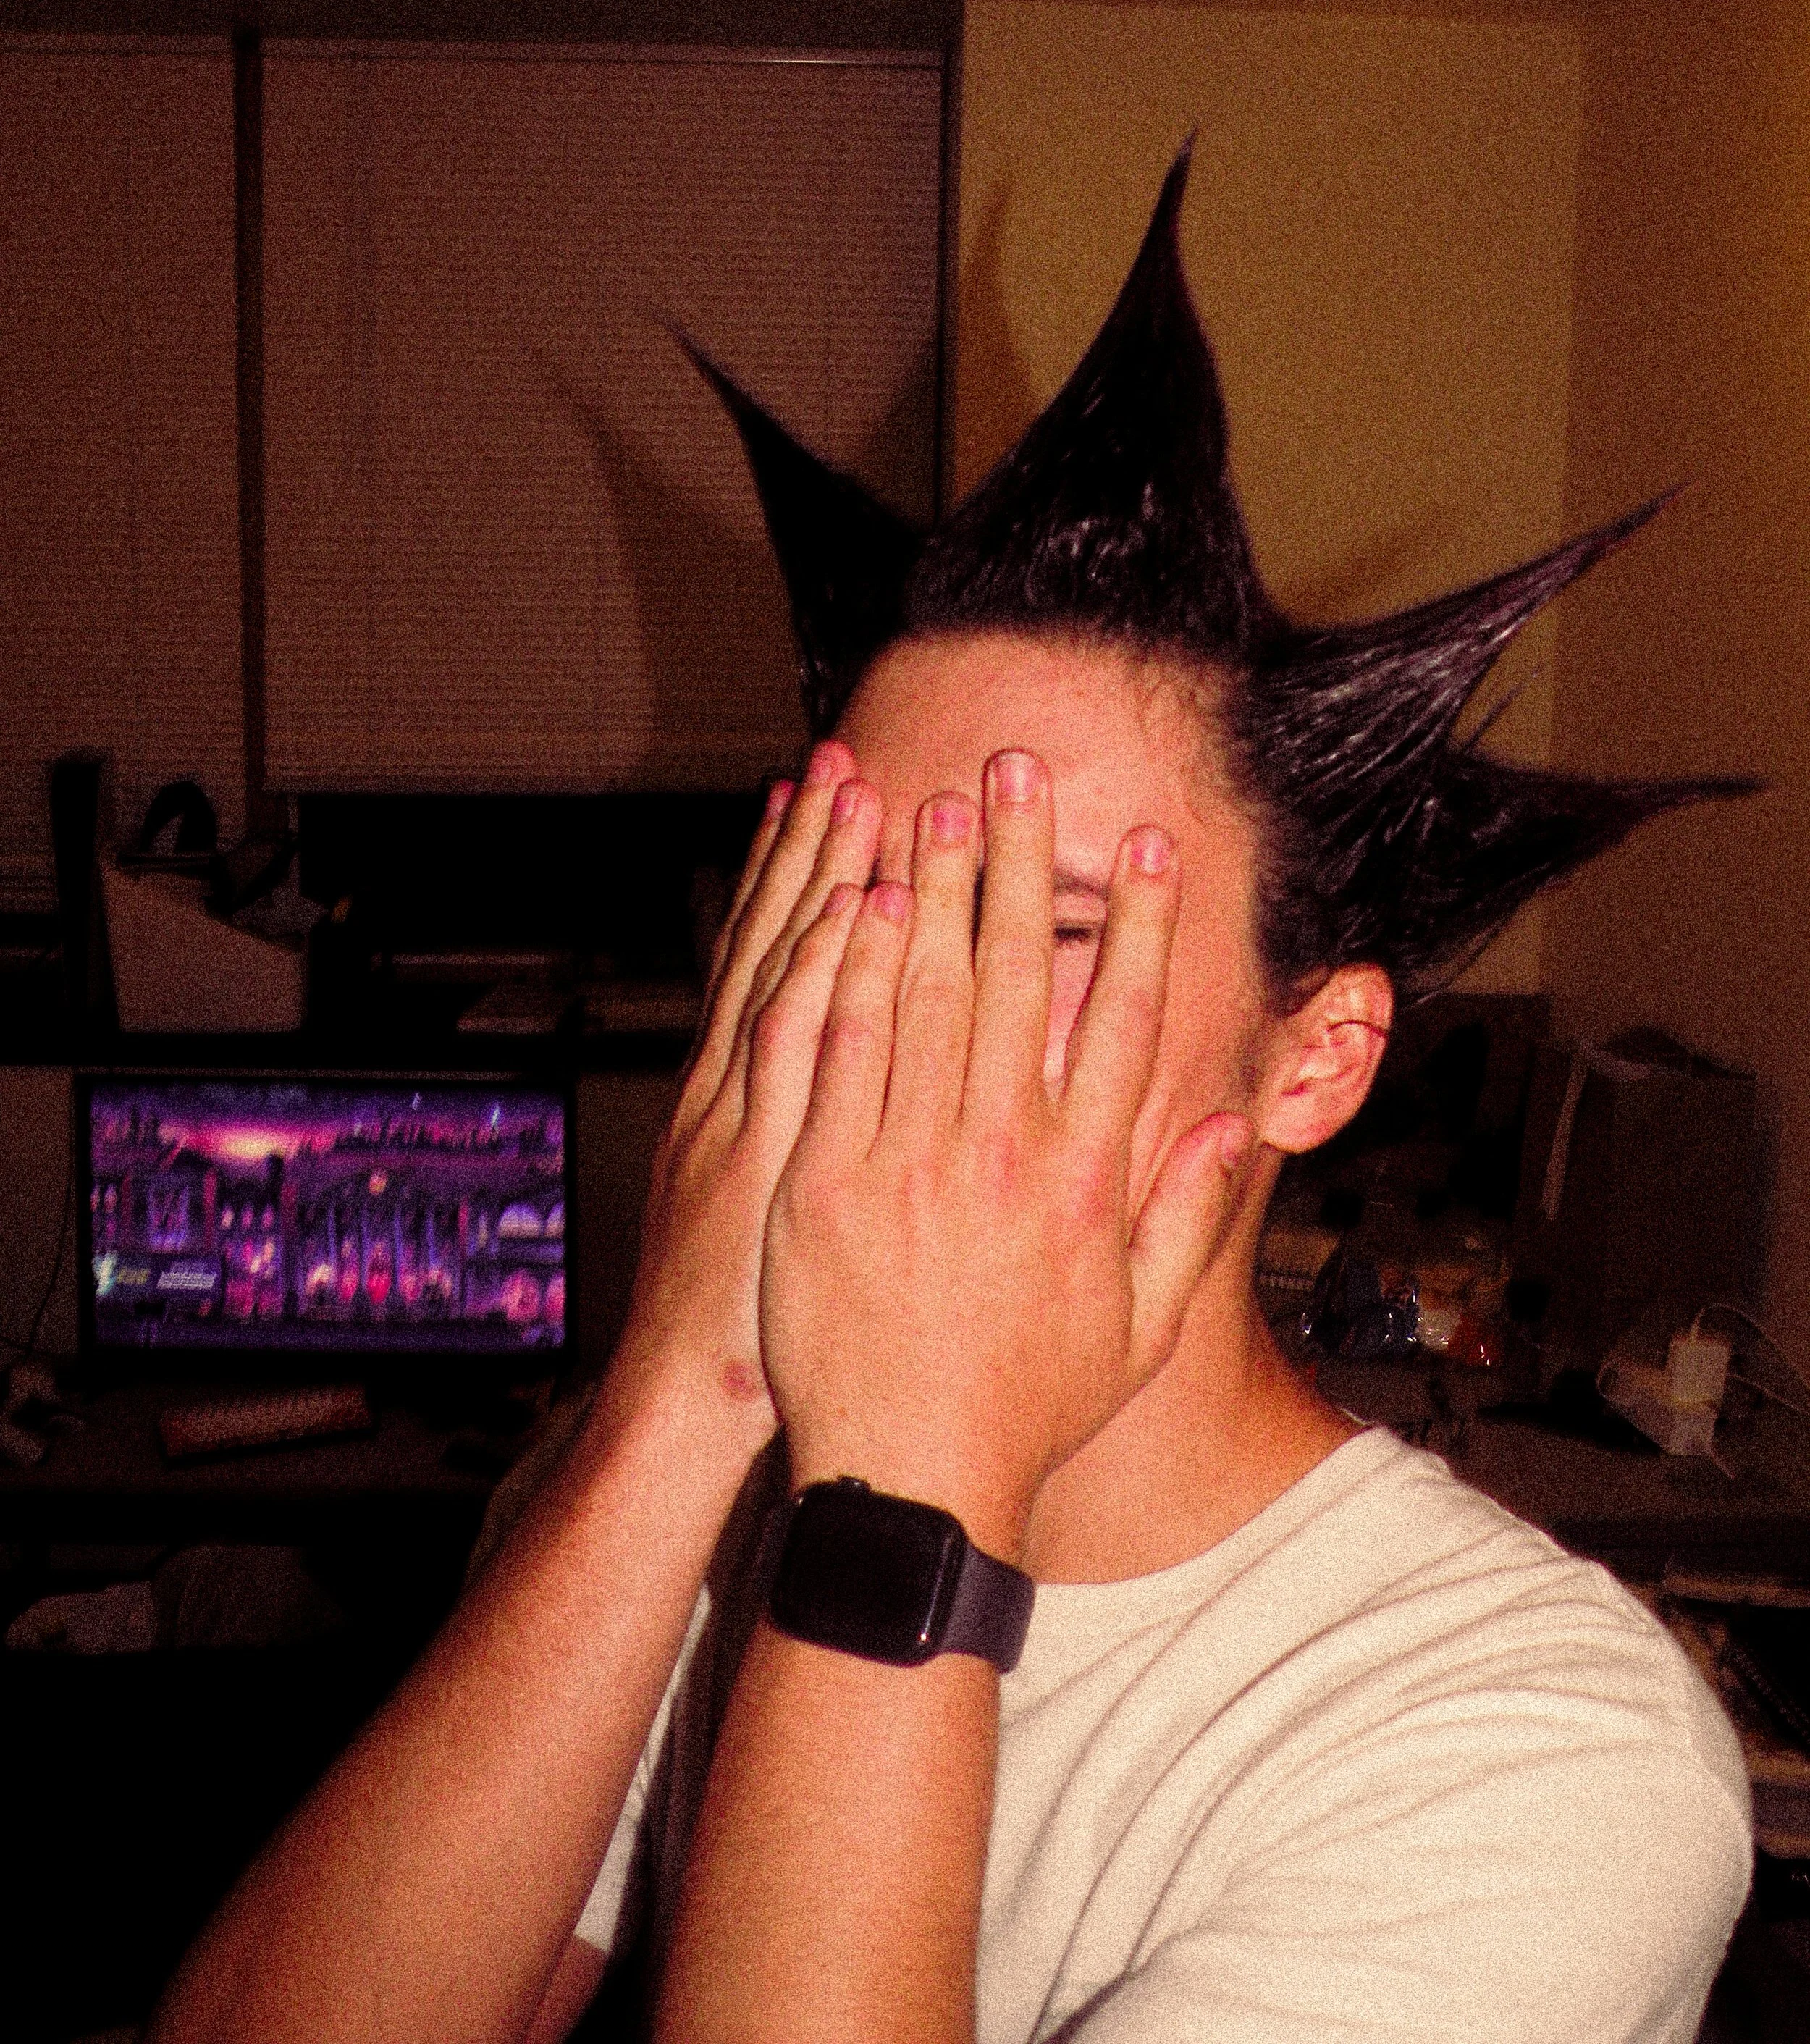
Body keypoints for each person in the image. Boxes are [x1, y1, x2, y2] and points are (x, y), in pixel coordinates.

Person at [147, 147, 1754, 2044]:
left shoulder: (1531, 1746)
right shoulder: (657, 1507)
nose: (898, 1002)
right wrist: (683, 1396)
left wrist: (904, 1492)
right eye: (856, 903)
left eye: (1043, 926)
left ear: (1310, 1058)